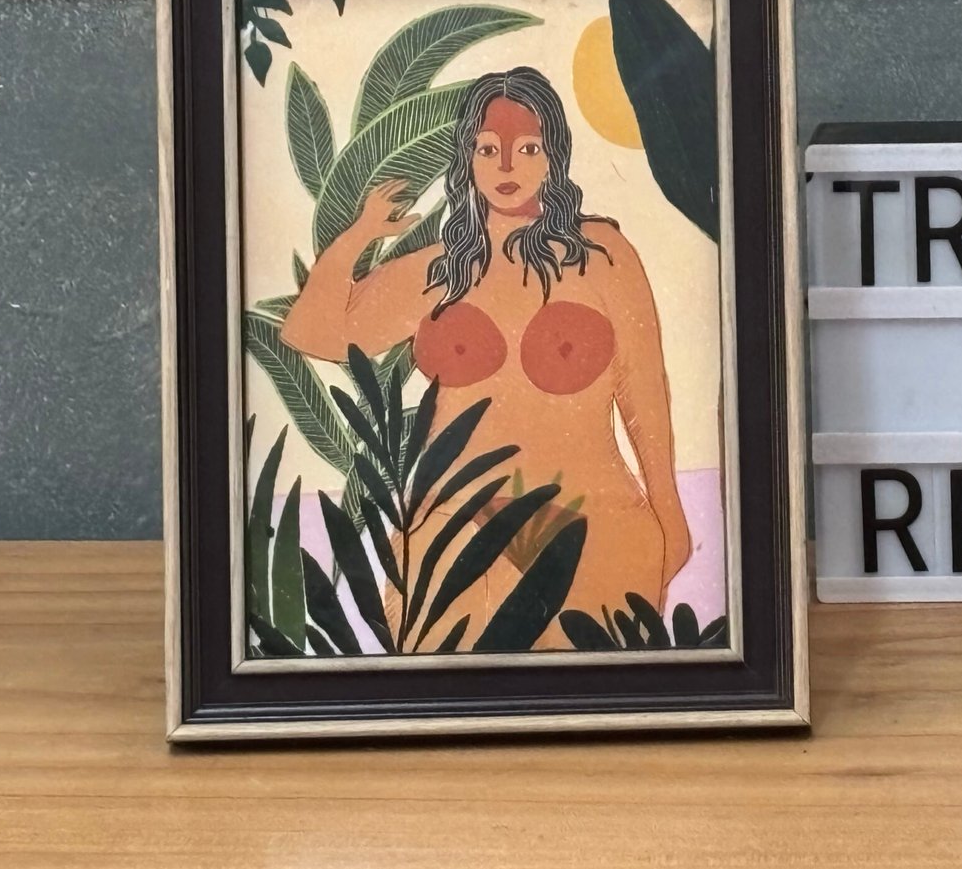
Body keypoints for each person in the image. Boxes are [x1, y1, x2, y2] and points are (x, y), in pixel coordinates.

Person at [282, 66, 691, 650]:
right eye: (488, 149)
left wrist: (669, 516)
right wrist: (360, 235)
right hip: (456, 525)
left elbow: (644, 393)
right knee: (448, 691)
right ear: (467, 160)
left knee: (588, 692)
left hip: (593, 525)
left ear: (553, 157)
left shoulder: (603, 257)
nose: (506, 167)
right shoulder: (440, 270)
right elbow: (312, 333)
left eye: (527, 149)